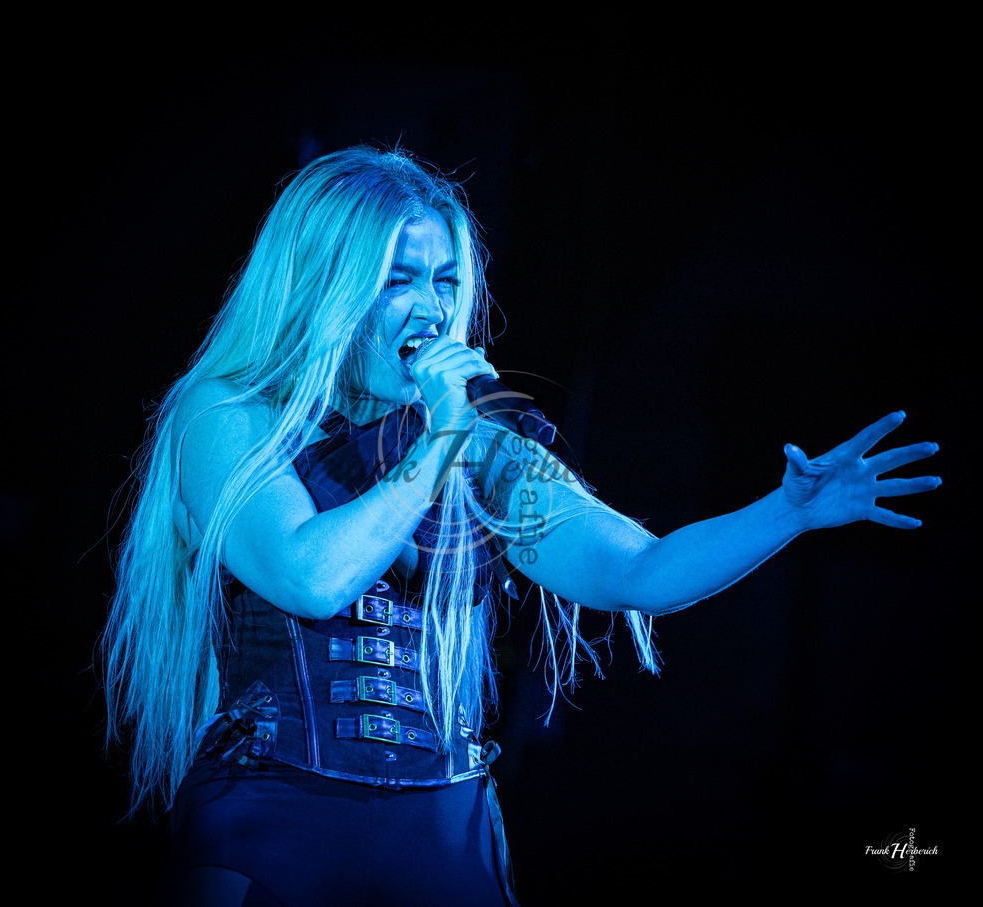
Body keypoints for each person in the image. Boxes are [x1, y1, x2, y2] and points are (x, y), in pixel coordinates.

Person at [101, 145, 940, 906]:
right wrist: (440, 439)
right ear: (326, 285)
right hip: (268, 815)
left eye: (445, 281)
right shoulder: (230, 415)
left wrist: (789, 511)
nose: (432, 309)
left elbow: (639, 572)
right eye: (398, 279)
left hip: (442, 830)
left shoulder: (485, 446)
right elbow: (310, 577)